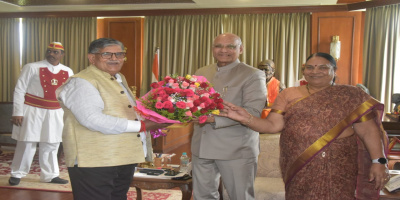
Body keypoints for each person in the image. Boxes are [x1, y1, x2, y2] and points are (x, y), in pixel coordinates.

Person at [219, 52, 390, 200]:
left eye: (323, 67)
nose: (315, 71)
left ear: (334, 70)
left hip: (340, 164)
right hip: (299, 162)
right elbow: (272, 125)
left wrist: (379, 161)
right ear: (303, 70)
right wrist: (245, 118)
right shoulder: (289, 94)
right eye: (310, 67)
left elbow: (368, 131)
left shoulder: (351, 94)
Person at [56, 38, 170, 200]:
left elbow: (124, 111)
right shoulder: (83, 82)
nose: (114, 58)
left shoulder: (119, 78)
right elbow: (92, 119)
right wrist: (142, 126)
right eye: (107, 54)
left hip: (121, 157)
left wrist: (160, 117)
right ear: (92, 58)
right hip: (93, 161)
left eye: (119, 54)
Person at [191, 33, 267, 200]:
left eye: (230, 46)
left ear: (240, 49)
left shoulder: (252, 74)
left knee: (240, 196)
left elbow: (253, 111)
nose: (224, 50)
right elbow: (193, 103)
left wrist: (214, 119)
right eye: (219, 46)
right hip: (201, 146)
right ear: (212, 49)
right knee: (202, 196)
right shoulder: (202, 71)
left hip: (236, 149)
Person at [9, 42, 72, 186]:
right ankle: (17, 173)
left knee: (52, 143)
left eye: (56, 52)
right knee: (27, 142)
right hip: (32, 109)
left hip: (56, 112)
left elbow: (69, 93)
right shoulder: (31, 67)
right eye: (49, 51)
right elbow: (19, 89)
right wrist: (17, 112)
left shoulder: (68, 71)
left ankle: (50, 175)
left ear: (62, 54)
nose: (51, 54)